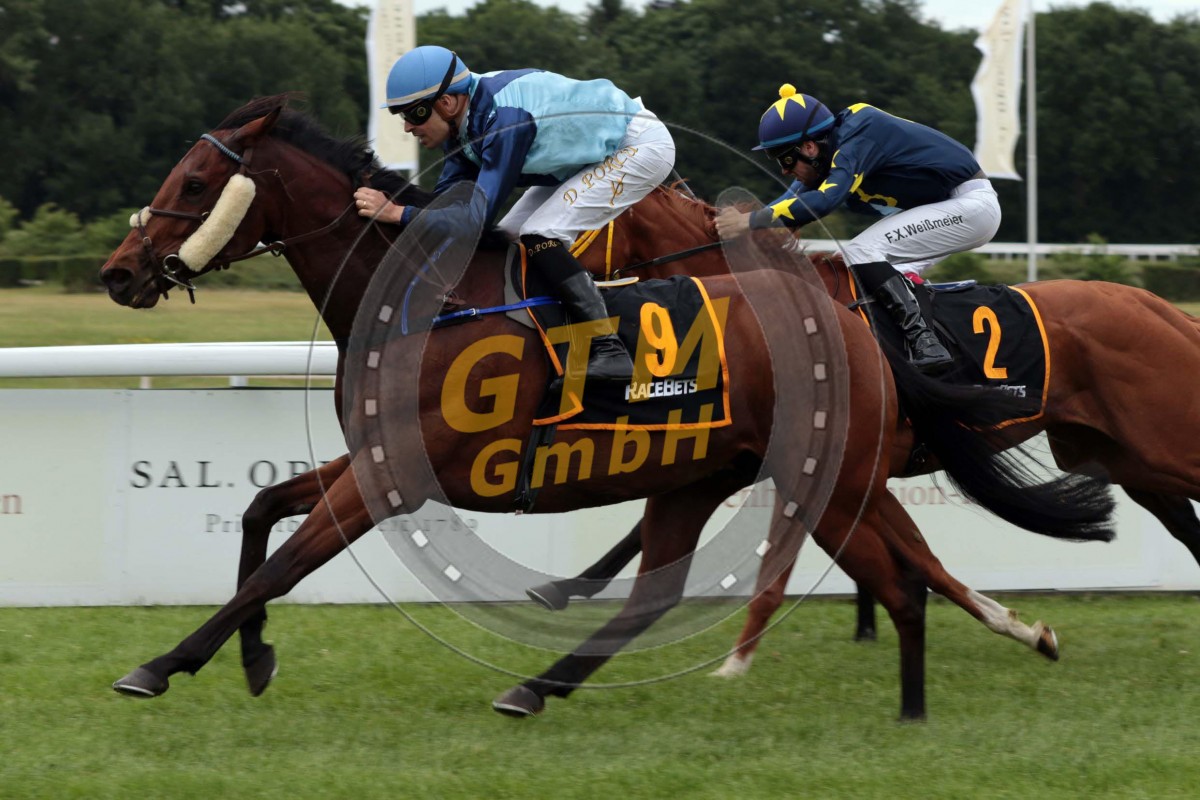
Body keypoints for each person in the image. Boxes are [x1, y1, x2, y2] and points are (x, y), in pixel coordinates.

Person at [355, 45, 677, 382]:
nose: (408, 127)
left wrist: (397, 213)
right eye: (402, 116)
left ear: (447, 103)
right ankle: (547, 341)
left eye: (414, 114)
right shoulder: (461, 127)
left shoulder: (504, 123)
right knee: (507, 241)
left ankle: (609, 349)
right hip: (585, 159)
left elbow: (473, 221)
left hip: (637, 145)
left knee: (540, 234)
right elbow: (447, 208)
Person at [715, 84, 1002, 373]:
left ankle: (927, 344)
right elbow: (790, 201)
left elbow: (824, 201)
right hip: (945, 209)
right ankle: (914, 350)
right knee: (866, 270)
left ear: (809, 147)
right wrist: (737, 224)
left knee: (861, 251)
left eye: (785, 158)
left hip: (970, 205)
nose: (784, 170)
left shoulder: (859, 134)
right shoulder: (827, 156)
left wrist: (750, 221)